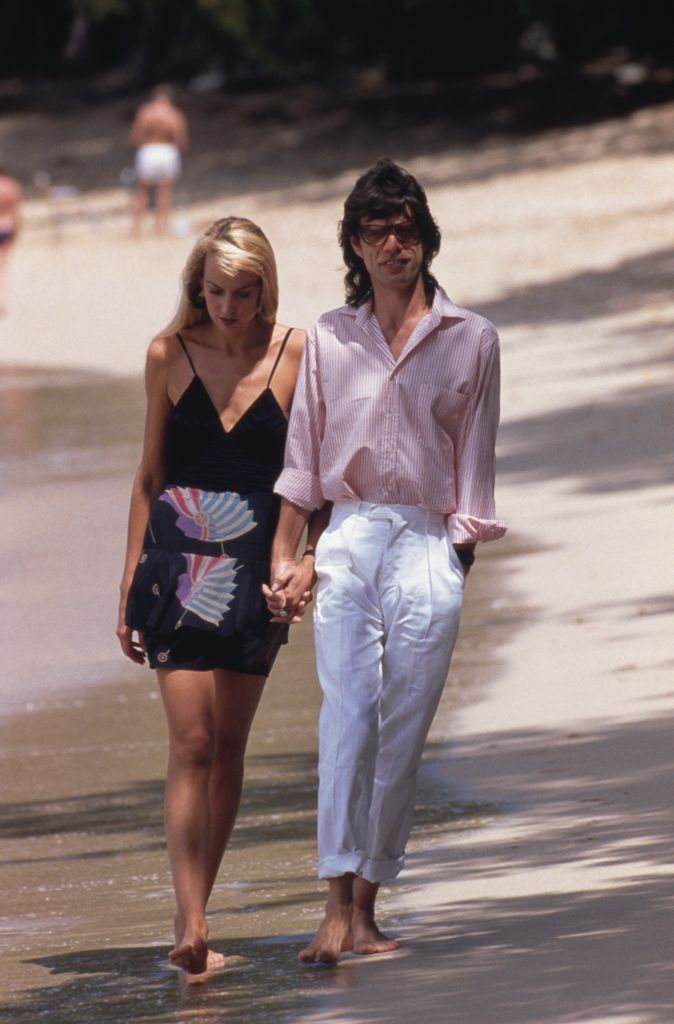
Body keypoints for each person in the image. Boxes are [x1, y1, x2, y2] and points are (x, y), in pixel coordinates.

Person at [267, 158, 507, 964]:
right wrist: (284, 560)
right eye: (378, 230)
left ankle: (367, 908)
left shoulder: (473, 339)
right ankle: (333, 905)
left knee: (403, 730)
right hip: (348, 538)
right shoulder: (330, 336)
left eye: (407, 229)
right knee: (348, 717)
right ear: (356, 244)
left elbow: (476, 463)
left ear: (427, 238)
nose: (394, 243)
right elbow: (303, 464)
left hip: (430, 541)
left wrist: (457, 559)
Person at [117, 216, 320, 976]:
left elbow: (317, 481)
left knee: (229, 748)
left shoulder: (300, 353)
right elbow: (147, 477)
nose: (228, 308)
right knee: (191, 742)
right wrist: (128, 581)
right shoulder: (168, 354)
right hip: (175, 566)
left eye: (241, 293)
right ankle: (191, 919)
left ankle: (197, 902)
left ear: (263, 288)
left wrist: (306, 559)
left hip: (255, 568)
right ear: (195, 287)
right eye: (214, 292)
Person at [129, 85, 189, 237]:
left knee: (141, 190)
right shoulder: (174, 114)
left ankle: (137, 228)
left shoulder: (146, 112)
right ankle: (160, 228)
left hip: (148, 150)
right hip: (167, 151)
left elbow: (135, 136)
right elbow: (181, 140)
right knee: (165, 191)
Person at [0, 160, 22, 315]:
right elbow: (16, 213)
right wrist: (18, 230)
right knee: (3, 266)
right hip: (6, 227)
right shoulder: (11, 187)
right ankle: (2, 301)